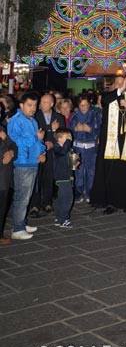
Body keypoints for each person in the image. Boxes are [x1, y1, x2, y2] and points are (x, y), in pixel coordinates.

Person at [91, 73, 126, 214]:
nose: (121, 85)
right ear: (114, 85)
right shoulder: (107, 97)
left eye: (123, 83)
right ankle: (112, 203)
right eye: (118, 83)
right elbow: (104, 102)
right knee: (111, 173)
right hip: (111, 142)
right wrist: (119, 91)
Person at [7, 92, 46, 240]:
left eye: (35, 105)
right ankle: (17, 229)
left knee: (27, 195)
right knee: (21, 197)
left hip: (33, 162)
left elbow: (38, 141)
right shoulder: (16, 121)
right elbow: (16, 142)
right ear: (21, 105)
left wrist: (42, 152)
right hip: (22, 162)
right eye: (30, 105)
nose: (33, 108)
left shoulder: (33, 121)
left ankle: (21, 223)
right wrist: (36, 137)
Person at [30, 92, 65, 216]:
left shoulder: (59, 117)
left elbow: (62, 136)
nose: (42, 104)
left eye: (45, 102)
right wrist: (50, 128)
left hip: (51, 153)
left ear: (51, 104)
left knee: (49, 178)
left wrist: (54, 134)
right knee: (36, 178)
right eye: (41, 102)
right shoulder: (35, 117)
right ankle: (35, 204)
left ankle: (47, 202)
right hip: (37, 152)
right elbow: (34, 133)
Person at [70, 95, 101, 203]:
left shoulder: (95, 114)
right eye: (81, 105)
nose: (83, 107)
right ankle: (78, 193)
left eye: (86, 105)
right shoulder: (74, 115)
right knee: (77, 172)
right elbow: (70, 130)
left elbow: (99, 130)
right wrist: (75, 129)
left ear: (89, 104)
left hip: (91, 148)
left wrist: (90, 130)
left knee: (91, 172)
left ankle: (89, 193)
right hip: (77, 147)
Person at [53, 128, 77, 228]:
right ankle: (64, 219)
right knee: (67, 198)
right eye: (67, 137)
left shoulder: (67, 149)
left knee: (62, 198)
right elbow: (62, 153)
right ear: (59, 138)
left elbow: (67, 160)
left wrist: (75, 162)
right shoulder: (57, 147)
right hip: (62, 177)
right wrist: (68, 142)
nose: (69, 139)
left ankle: (59, 218)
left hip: (67, 175)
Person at [0, 124, 17, 245]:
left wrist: (11, 153)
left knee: (2, 207)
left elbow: (13, 146)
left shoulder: (1, 129)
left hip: (4, 177)